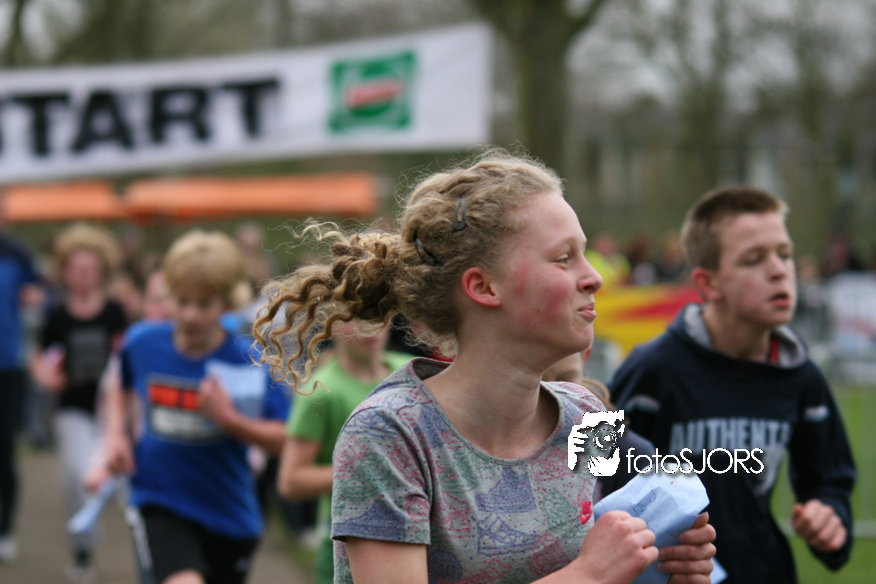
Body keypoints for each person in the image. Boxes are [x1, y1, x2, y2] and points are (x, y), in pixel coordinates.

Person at [254, 150, 715, 584]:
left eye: (585, 253)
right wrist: (587, 576)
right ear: (484, 287)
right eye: (563, 258)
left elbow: (607, 547)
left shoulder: (590, 415)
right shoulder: (389, 434)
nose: (594, 276)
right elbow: (590, 570)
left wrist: (662, 563)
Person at [609, 186, 857, 584]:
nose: (778, 270)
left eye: (784, 254)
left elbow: (829, 479)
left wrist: (830, 515)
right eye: (754, 259)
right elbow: (584, 467)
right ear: (708, 283)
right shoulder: (650, 368)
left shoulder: (801, 374)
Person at [102, 230, 290, 584]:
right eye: (181, 300)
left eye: (203, 304)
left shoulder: (251, 362)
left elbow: (284, 439)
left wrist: (229, 420)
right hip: (160, 501)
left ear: (227, 303)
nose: (189, 314)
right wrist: (115, 436)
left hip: (229, 517)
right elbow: (119, 385)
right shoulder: (142, 343)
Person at [277, 319, 412, 584]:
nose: (368, 327)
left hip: (415, 531)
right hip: (347, 541)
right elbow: (291, 481)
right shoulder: (320, 391)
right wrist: (370, 470)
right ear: (329, 324)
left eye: (377, 315)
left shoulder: (411, 372)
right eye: (354, 318)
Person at [29, 222, 128, 581]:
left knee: (100, 475)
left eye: (90, 268)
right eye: (76, 268)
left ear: (101, 272)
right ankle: (83, 548)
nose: (83, 275)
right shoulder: (56, 316)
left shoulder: (115, 312)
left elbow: (128, 352)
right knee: (76, 476)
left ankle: (97, 528)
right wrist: (43, 375)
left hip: (111, 409)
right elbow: (39, 356)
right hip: (71, 407)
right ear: (65, 273)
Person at [0, 190, 43, 564]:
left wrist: (35, 299)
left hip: (8, 367)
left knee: (5, 450)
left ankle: (5, 529)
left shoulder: (18, 252)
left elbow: (39, 295)